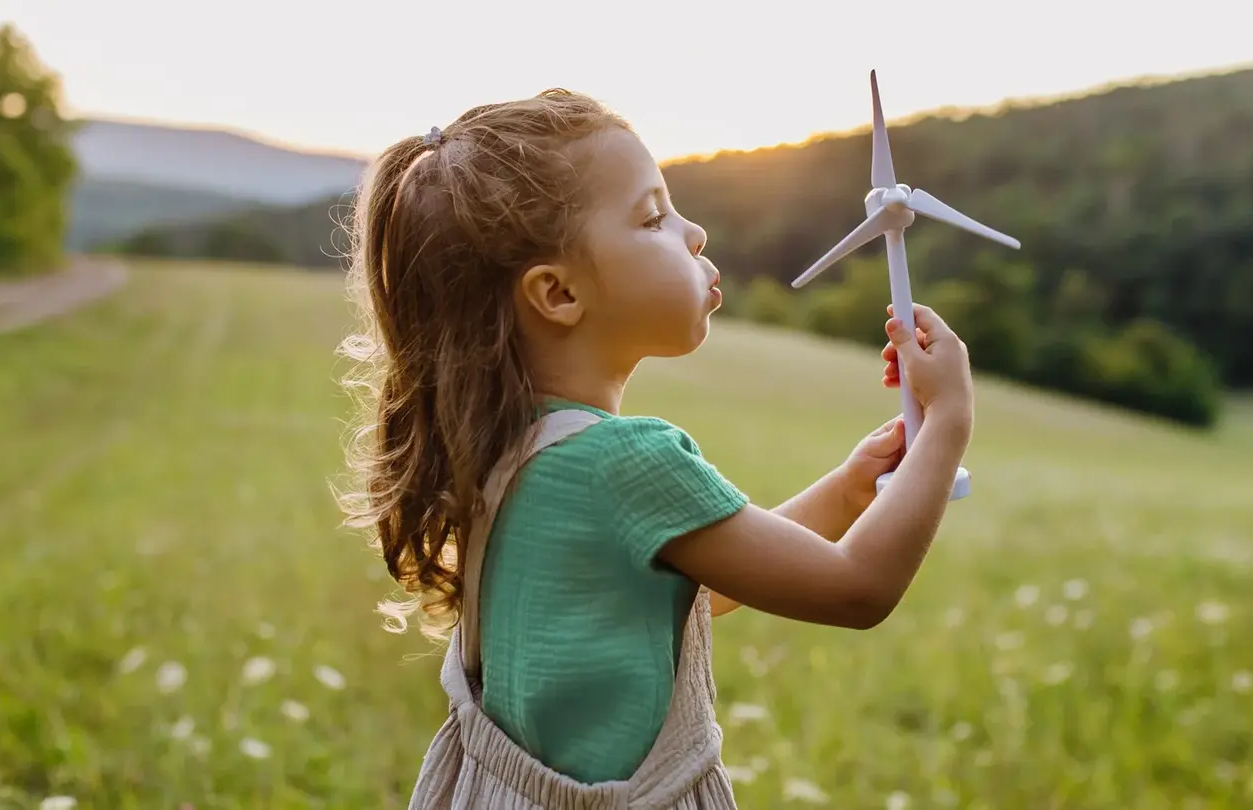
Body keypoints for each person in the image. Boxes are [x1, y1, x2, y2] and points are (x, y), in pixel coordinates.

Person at [335, 88, 974, 808]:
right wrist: (948, 419)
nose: (694, 232)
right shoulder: (627, 461)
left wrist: (849, 490)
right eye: (653, 217)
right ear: (558, 294)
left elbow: (700, 585)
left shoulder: (505, 452)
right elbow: (857, 589)